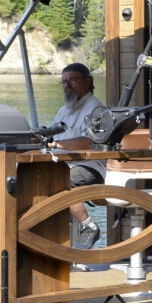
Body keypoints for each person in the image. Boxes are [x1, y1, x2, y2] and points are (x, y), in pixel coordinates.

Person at [47, 62, 105, 249]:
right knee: (34, 177)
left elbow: (90, 142)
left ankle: (89, 226)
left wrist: (56, 144)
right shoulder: (63, 110)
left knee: (60, 180)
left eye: (73, 80)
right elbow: (51, 136)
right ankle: (47, 238)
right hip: (62, 163)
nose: (67, 85)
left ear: (87, 82)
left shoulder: (97, 108)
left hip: (91, 166)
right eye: (64, 81)